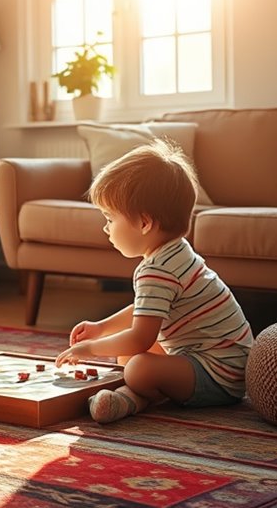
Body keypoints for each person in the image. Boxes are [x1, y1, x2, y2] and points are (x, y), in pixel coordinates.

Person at [55, 139, 252, 424]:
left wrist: (89, 349)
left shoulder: (158, 270)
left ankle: (134, 396)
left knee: (137, 367)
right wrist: (101, 327)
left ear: (145, 223)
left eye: (110, 218)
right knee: (128, 356)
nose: (106, 228)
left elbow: (140, 336)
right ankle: (130, 399)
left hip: (219, 375)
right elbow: (145, 309)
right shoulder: (176, 250)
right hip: (220, 363)